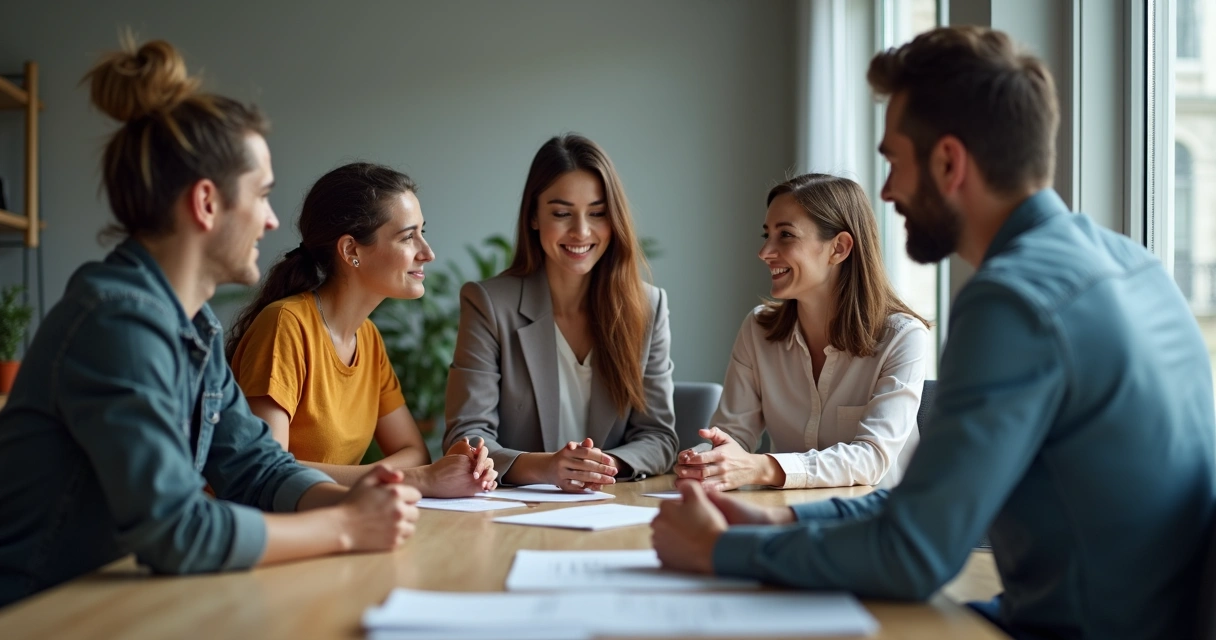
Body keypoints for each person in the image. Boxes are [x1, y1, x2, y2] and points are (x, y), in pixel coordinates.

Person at [651, 26, 1216, 640]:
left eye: (893, 160)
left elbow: (914, 554)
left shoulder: (1012, 301)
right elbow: (924, 503)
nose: (887, 190)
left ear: (948, 162)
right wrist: (779, 523)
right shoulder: (1138, 267)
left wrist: (720, 552)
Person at [0, 38, 419, 607]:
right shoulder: (116, 324)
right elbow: (176, 530)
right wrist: (346, 526)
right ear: (205, 203)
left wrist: (357, 499)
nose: (273, 220)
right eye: (263, 195)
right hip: (43, 612)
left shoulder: (188, 325)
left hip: (119, 603)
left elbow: (255, 465)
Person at [227, 163, 496, 495]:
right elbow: (266, 468)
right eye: (408, 237)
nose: (427, 253)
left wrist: (440, 467)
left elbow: (415, 453)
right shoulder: (286, 325)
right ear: (351, 250)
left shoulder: (367, 338)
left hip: (326, 522)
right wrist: (410, 478)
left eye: (422, 233)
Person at [443, 134, 677, 492]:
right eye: (562, 213)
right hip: (513, 513)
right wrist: (547, 467)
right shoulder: (488, 304)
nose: (581, 231)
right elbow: (467, 437)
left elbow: (658, 436)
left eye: (597, 213)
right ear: (534, 217)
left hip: (613, 507)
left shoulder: (647, 306)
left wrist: (600, 467)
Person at [673, 174, 928, 491]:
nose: (765, 252)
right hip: (784, 518)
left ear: (839, 248)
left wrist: (762, 467)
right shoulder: (758, 329)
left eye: (786, 236)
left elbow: (871, 458)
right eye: (767, 235)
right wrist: (705, 461)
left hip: (874, 525)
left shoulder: (903, 337)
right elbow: (733, 435)